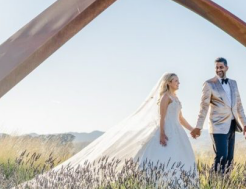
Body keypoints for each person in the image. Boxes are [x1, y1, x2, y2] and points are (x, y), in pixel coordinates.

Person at [53, 73, 196, 175]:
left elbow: (180, 118)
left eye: (178, 81)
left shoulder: (175, 98)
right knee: (162, 157)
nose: (178, 83)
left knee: (180, 157)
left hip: (178, 131)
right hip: (166, 130)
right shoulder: (165, 97)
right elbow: (162, 116)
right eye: (176, 80)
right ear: (169, 83)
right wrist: (162, 133)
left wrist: (191, 129)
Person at [191, 57, 246, 172]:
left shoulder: (233, 83)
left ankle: (225, 184)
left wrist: (245, 124)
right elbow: (203, 107)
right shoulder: (209, 84)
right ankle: (213, 184)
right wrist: (198, 127)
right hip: (217, 126)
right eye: (217, 67)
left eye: (221, 67)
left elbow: (239, 106)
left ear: (226, 68)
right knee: (221, 157)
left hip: (232, 125)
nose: (219, 70)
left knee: (229, 159)